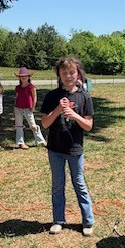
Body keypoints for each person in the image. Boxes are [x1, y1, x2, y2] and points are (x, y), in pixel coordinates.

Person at [41, 56, 94, 236]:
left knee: (79, 183)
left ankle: (88, 221)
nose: (68, 76)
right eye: (64, 73)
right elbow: (45, 124)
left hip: (75, 150)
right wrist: (57, 109)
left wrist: (74, 114)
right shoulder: (52, 96)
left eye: (71, 72)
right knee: (58, 185)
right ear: (59, 75)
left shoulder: (84, 97)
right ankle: (58, 220)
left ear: (78, 73)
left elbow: (88, 125)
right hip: (55, 149)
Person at [13, 66, 46, 149]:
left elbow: (34, 97)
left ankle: (41, 140)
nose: (23, 78)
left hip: (28, 108)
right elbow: (16, 97)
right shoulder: (18, 87)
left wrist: (33, 107)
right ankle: (21, 142)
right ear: (19, 78)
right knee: (19, 125)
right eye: (21, 76)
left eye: (25, 76)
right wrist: (14, 107)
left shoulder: (31, 87)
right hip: (18, 108)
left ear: (28, 77)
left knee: (33, 125)